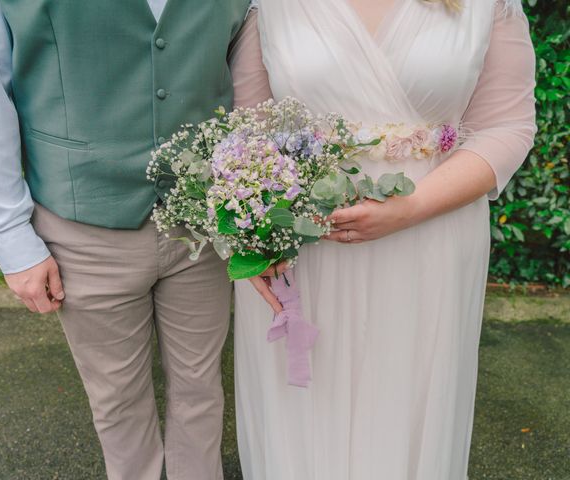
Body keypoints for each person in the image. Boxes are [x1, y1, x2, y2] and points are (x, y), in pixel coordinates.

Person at [0, 1, 255, 479]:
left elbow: (242, 56)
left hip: (202, 219)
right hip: (82, 217)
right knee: (118, 404)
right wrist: (10, 234)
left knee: (202, 390)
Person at [230, 0, 537, 478]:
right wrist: (254, 237)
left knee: (406, 400)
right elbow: (246, 127)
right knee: (306, 408)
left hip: (431, 238)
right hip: (307, 248)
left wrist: (411, 207)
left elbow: (508, 125)